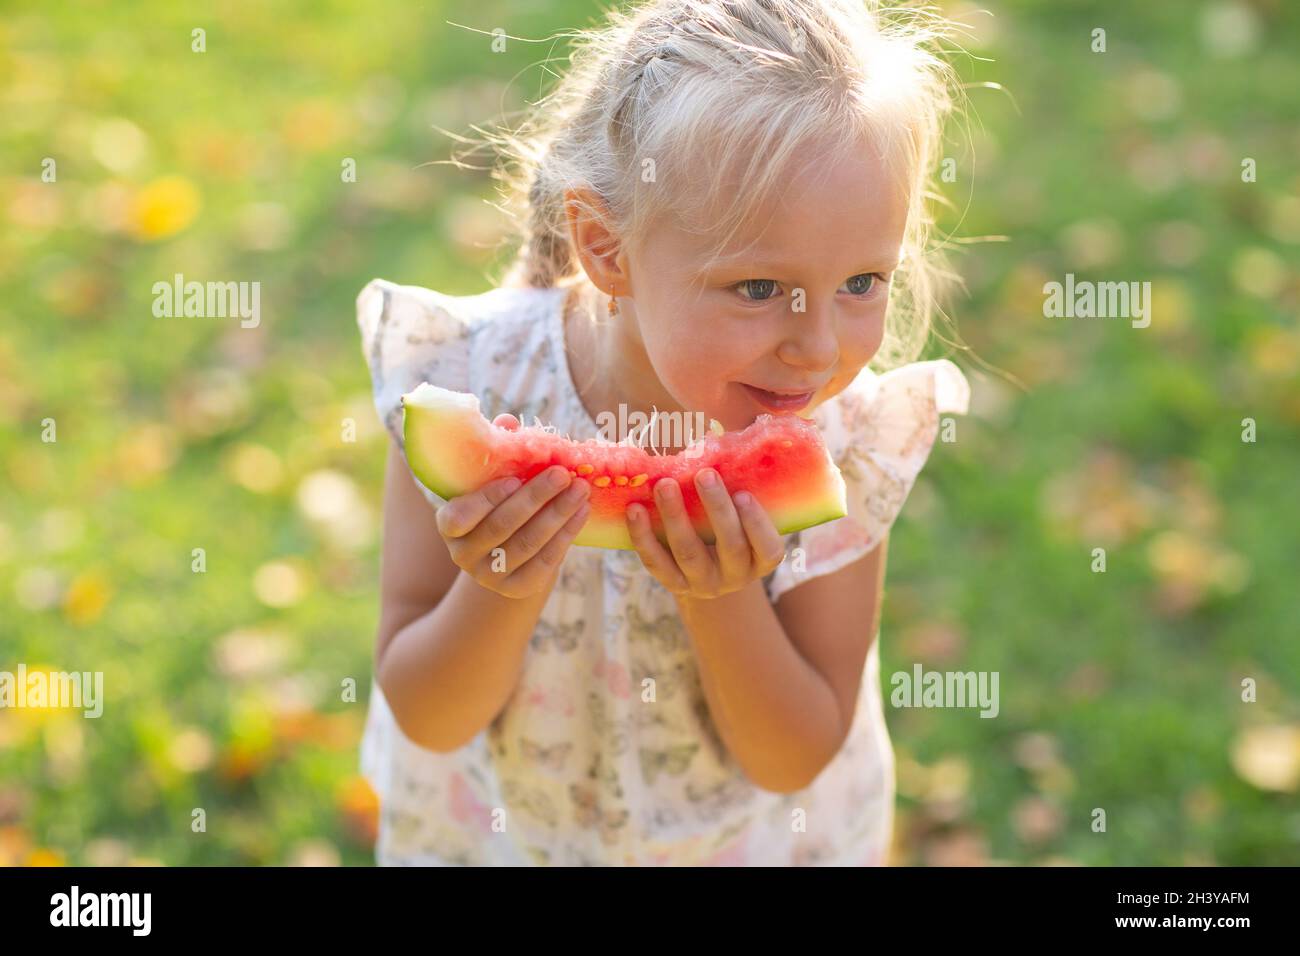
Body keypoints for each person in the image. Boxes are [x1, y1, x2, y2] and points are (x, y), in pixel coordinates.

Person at [357, 0, 971, 865]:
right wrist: (499, 586)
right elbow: (425, 714)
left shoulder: (846, 447)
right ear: (607, 249)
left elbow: (793, 754)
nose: (819, 345)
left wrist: (721, 601)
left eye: (864, 281)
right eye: (759, 288)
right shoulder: (464, 377)